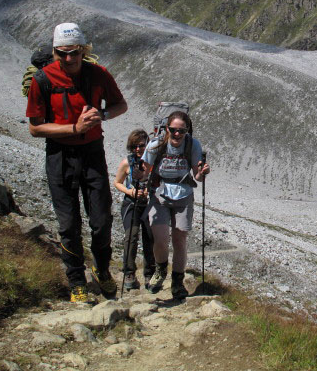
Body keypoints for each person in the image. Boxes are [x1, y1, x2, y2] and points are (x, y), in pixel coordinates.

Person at [26, 22, 127, 303]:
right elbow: (35, 128)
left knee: (101, 219)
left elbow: (121, 105)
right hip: (59, 155)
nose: (69, 59)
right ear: (55, 52)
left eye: (74, 53)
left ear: (83, 50)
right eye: (62, 54)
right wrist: (75, 129)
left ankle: (102, 270)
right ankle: (76, 280)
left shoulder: (98, 74)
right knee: (68, 222)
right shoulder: (43, 80)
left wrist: (102, 116)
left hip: (93, 152)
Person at [141, 111, 210, 297]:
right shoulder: (156, 145)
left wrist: (202, 172)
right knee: (161, 238)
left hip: (184, 193)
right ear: (167, 129)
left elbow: (197, 175)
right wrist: (138, 176)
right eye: (173, 130)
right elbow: (144, 172)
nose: (177, 134)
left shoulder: (193, 144)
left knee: (180, 240)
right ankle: (161, 271)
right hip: (160, 192)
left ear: (187, 130)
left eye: (182, 130)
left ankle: (177, 283)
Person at [113, 129, 156, 290]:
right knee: (131, 236)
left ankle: (149, 273)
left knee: (149, 237)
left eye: (141, 146)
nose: (138, 149)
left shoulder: (152, 163)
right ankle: (129, 272)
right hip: (131, 203)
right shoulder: (127, 162)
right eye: (134, 146)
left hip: (149, 203)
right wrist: (130, 191)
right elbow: (117, 182)